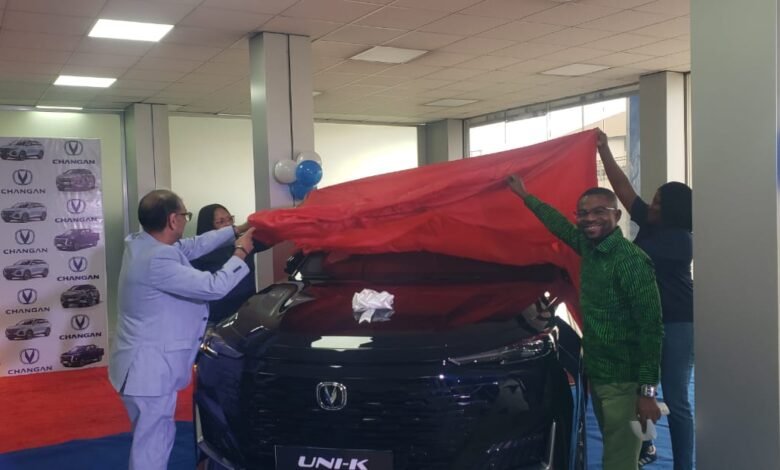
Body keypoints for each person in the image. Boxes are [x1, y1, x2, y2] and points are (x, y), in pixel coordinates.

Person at [507, 175, 663, 470]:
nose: (589, 219)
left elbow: (651, 329)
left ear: (616, 215)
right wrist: (525, 195)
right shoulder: (590, 248)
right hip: (599, 374)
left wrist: (646, 393)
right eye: (583, 213)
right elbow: (557, 224)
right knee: (616, 452)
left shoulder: (631, 261)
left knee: (619, 460)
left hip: (624, 380)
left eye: (599, 212)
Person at [108, 189, 256, 470]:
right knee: (152, 443)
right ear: (173, 220)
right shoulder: (157, 260)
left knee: (155, 436)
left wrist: (234, 230)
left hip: (141, 365)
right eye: (185, 215)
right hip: (148, 369)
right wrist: (241, 251)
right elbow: (214, 287)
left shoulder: (142, 243)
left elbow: (194, 246)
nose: (187, 221)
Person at [597, 130, 694, 470]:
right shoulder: (653, 226)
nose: (651, 206)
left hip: (677, 322)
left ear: (672, 211)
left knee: (677, 398)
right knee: (643, 389)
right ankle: (645, 448)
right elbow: (624, 190)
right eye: (653, 200)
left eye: (658, 203)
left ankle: (685, 464)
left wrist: (603, 233)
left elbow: (630, 255)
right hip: (646, 322)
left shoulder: (680, 240)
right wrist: (604, 149)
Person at [191, 203, 266, 324]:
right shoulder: (197, 255)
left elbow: (271, 237)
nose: (228, 225)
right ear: (208, 226)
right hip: (216, 318)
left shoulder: (242, 242)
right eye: (220, 222)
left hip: (246, 311)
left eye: (230, 219)